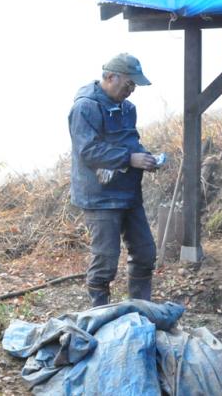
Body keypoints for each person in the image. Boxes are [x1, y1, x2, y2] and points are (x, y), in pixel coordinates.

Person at [69, 53, 159, 307]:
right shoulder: (85, 107)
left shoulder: (128, 109)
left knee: (145, 253)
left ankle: (141, 310)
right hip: (99, 197)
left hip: (128, 194)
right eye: (129, 84)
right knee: (105, 260)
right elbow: (88, 151)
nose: (132, 91)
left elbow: (130, 142)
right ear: (110, 77)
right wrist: (130, 159)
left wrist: (145, 157)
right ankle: (101, 316)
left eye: (134, 86)